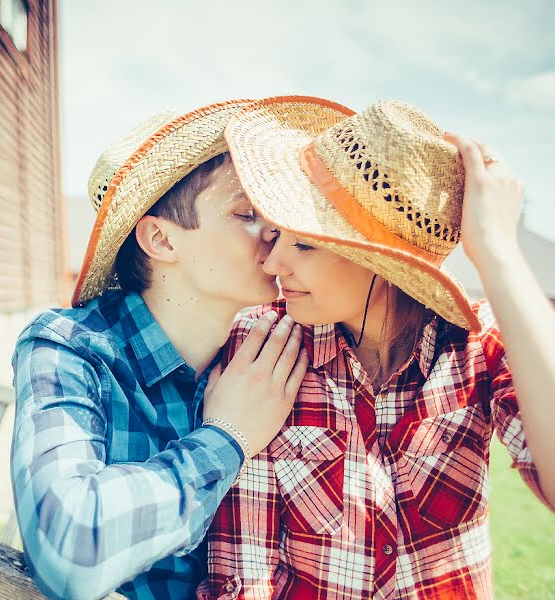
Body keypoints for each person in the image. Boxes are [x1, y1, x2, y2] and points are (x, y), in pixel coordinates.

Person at [202, 99, 555, 599]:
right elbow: (244, 572)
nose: (272, 262)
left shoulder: (477, 347)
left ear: (379, 262)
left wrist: (498, 252)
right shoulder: (263, 347)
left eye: (304, 244)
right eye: (278, 234)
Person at [11, 97, 348, 599]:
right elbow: (70, 550)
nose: (275, 230)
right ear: (162, 241)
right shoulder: (70, 348)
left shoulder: (267, 355)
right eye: (247, 213)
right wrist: (227, 437)